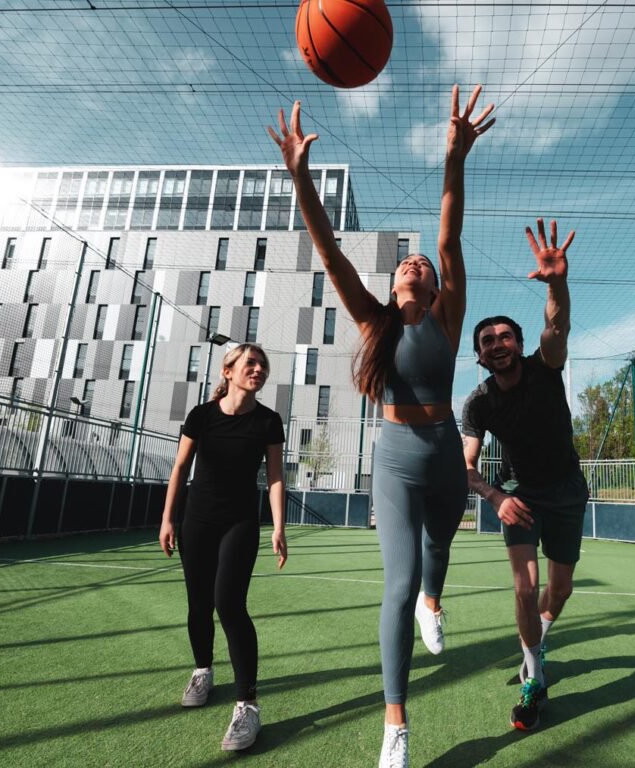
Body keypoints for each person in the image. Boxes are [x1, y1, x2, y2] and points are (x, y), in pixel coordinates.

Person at [268, 85, 494, 768]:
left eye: (420, 265)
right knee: (396, 585)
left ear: (432, 284)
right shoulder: (375, 322)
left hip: (446, 455)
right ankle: (395, 724)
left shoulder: (450, 318)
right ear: (394, 283)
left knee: (439, 559)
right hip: (395, 458)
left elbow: (448, 230)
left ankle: (435, 601)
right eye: (404, 263)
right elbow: (331, 253)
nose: (413, 264)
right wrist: (302, 179)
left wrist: (454, 156)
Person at [461, 219, 584, 732]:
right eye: (487, 340)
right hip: (517, 494)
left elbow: (556, 325)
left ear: (518, 343)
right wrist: (492, 495)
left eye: (505, 336)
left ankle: (541, 633)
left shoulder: (546, 366)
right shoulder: (479, 402)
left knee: (558, 591)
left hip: (567, 490)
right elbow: (465, 467)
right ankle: (534, 677)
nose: (497, 343)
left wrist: (556, 282)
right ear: (479, 354)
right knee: (523, 587)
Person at [159, 343, 289, 752]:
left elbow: (274, 477)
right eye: (250, 363)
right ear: (228, 371)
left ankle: (247, 704)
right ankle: (203, 671)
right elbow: (180, 467)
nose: (258, 369)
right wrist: (167, 518)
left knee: (229, 605)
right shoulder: (201, 415)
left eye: (262, 365)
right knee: (199, 604)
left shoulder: (269, 421)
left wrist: (279, 526)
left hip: (240, 522)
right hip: (197, 521)